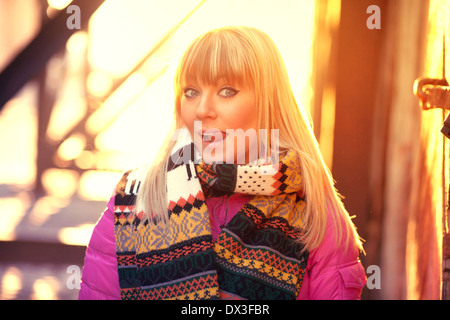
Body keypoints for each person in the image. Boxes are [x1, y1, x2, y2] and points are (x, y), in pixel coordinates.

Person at [78, 26, 366, 300]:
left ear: (270, 102)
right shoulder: (135, 200)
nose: (202, 110)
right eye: (191, 92)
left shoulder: (317, 218)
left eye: (227, 91)